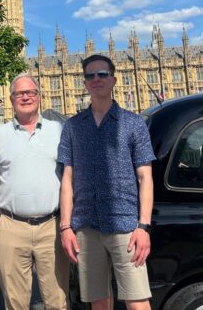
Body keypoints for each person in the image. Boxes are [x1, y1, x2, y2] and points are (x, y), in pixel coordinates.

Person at [58, 54, 155, 310]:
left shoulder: (133, 123)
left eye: (102, 74)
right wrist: (66, 227)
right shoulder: (73, 126)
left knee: (137, 302)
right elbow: (68, 179)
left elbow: (146, 177)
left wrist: (143, 226)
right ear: (84, 83)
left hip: (125, 225)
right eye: (90, 75)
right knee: (99, 303)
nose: (96, 79)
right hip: (87, 227)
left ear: (113, 79)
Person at [0, 73, 68, 310]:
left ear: (39, 96)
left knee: (57, 300)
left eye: (31, 92)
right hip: (12, 226)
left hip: (52, 227)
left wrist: (68, 220)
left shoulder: (59, 130)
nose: (26, 97)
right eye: (19, 93)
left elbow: (73, 174)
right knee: (15, 303)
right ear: (11, 98)